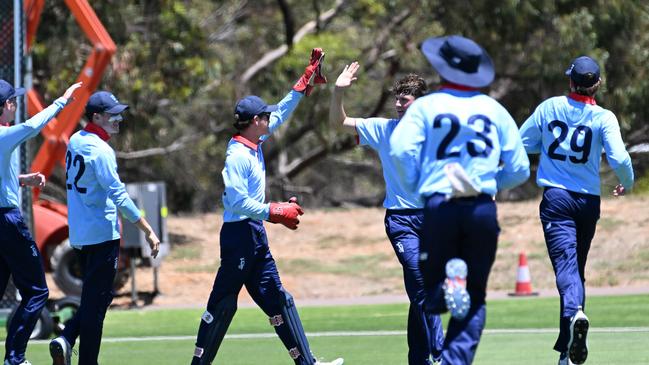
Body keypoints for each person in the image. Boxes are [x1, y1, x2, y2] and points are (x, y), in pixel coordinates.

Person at [189, 48, 343, 365]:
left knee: (279, 301)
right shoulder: (237, 156)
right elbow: (237, 201)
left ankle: (308, 363)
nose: (271, 118)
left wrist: (304, 82)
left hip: (254, 235)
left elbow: (283, 111)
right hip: (238, 236)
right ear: (256, 121)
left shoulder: (256, 139)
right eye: (266, 116)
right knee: (222, 305)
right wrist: (274, 211)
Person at [389, 35, 530, 364]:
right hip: (481, 207)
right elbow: (521, 168)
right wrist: (490, 185)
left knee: (432, 292)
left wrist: (417, 184)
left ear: (443, 69)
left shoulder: (426, 106)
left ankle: (448, 283)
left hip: (440, 205)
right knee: (476, 297)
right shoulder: (494, 109)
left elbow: (399, 150)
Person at [519, 56, 634, 365]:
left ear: (570, 81)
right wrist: (628, 183)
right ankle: (566, 354)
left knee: (567, 271)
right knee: (575, 272)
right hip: (588, 203)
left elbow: (521, 142)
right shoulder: (604, 117)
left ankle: (574, 315)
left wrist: (548, 145)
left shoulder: (549, 107)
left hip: (557, 200)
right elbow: (621, 160)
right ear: (597, 85)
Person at [329, 62, 444, 365]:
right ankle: (442, 353)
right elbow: (338, 123)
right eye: (396, 99)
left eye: (403, 100)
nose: (397, 105)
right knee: (422, 286)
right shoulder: (384, 129)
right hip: (401, 222)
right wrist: (338, 92)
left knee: (420, 294)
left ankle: (418, 359)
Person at [49, 90, 161, 365]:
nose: (119, 119)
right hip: (102, 235)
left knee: (97, 298)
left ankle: (68, 339)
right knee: (96, 303)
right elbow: (119, 195)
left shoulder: (76, 140)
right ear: (96, 116)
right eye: (113, 115)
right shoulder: (102, 151)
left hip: (80, 234)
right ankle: (81, 353)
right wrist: (147, 228)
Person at [0, 79, 81, 365]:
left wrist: (24, 180)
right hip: (7, 221)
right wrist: (62, 101)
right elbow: (34, 126)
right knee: (37, 292)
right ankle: (15, 358)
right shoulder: (3, 134)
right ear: (5, 106)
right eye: (13, 101)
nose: (16, 105)